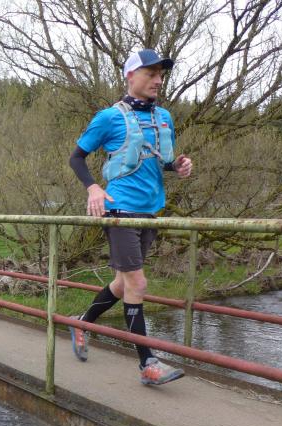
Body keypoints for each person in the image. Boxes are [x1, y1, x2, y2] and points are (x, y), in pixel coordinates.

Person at [68, 49, 193, 386]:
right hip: (120, 211)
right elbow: (77, 158)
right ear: (130, 76)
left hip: (150, 211)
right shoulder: (109, 117)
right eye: (150, 74)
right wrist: (94, 188)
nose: (158, 80)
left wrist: (178, 166)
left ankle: (81, 323)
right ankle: (147, 364)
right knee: (138, 283)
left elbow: (161, 161)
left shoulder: (164, 117)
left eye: (160, 75)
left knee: (123, 284)